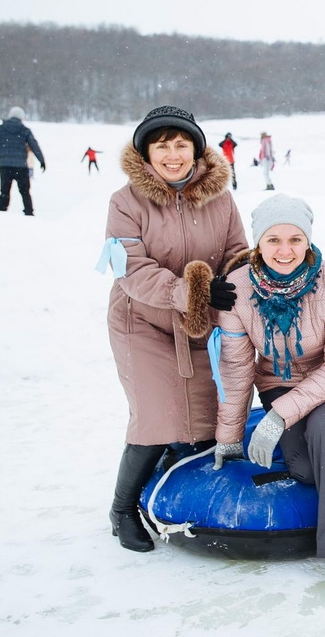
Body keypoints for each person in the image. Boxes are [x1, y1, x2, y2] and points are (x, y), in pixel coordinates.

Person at [99, 105, 248, 553]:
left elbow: (237, 251)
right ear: (146, 153)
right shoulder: (125, 202)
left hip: (203, 327)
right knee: (157, 418)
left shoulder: (220, 197)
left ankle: (180, 495)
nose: (172, 154)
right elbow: (132, 270)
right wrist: (192, 293)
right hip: (141, 321)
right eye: (161, 145)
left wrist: (234, 282)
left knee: (205, 421)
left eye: (181, 144)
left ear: (197, 150)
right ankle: (122, 509)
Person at [209, 194, 325, 594]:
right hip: (280, 378)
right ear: (258, 245)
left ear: (309, 241)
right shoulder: (237, 289)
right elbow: (236, 365)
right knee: (302, 466)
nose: (285, 250)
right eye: (274, 240)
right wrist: (229, 437)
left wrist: (279, 416)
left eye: (296, 239)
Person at [0, 106, 45, 216]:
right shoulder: (24, 130)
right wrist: (41, 160)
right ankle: (29, 213)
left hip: (4, 166)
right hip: (21, 166)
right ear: (21, 117)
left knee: (4, 192)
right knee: (25, 192)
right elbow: (34, 146)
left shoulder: (0, 129)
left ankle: (1, 213)